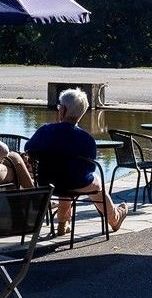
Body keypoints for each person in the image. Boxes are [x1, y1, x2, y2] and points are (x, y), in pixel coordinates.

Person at [26, 88, 128, 234]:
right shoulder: (86, 139)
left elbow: (28, 147)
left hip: (46, 182)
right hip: (73, 183)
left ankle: (63, 223)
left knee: (64, 175)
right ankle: (114, 218)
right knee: (94, 181)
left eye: (59, 106)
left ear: (63, 110)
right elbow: (90, 167)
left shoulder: (45, 131)